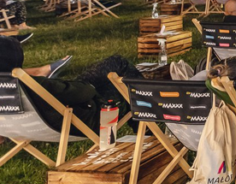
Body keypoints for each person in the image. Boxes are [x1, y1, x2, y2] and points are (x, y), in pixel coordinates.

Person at [0, 35, 135, 136]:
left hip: (23, 129)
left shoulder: (11, 87)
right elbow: (82, 93)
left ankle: (145, 123)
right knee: (118, 64)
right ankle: (145, 123)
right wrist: (86, 86)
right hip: (86, 122)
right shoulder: (32, 85)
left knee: (110, 67)